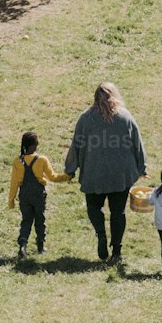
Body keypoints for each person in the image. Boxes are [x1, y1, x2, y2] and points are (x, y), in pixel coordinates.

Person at [65, 82, 147, 264]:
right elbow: (137, 143)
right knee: (118, 213)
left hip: (94, 173)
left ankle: (101, 234)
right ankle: (116, 251)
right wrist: (142, 167)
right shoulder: (125, 117)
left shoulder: (85, 118)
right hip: (120, 175)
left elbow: (76, 144)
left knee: (94, 207)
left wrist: (71, 168)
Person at [8, 130, 71, 261]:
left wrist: (11, 200)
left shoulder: (17, 161)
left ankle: (23, 245)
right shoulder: (41, 160)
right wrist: (67, 176)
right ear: (36, 145)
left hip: (24, 195)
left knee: (26, 221)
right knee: (40, 220)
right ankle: (40, 246)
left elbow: (14, 182)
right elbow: (53, 177)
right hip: (38, 194)